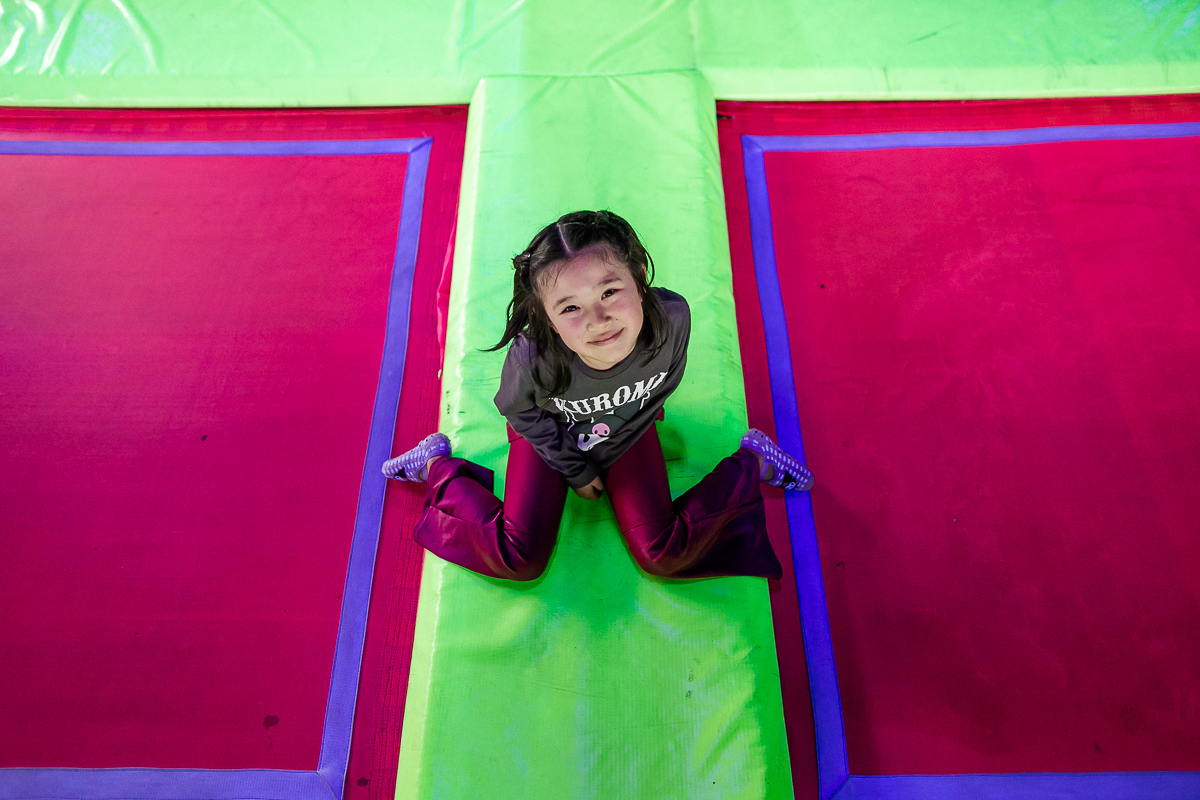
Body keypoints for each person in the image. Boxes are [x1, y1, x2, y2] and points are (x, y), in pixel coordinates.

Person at [383, 210, 813, 581]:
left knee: (662, 554)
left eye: (609, 291)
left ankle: (753, 458)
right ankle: (436, 463)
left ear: (639, 280)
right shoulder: (535, 357)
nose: (598, 320)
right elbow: (518, 412)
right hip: (549, 434)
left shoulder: (673, 318)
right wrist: (576, 468)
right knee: (519, 556)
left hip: (627, 426)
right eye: (570, 308)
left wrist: (617, 444)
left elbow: (663, 384)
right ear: (549, 321)